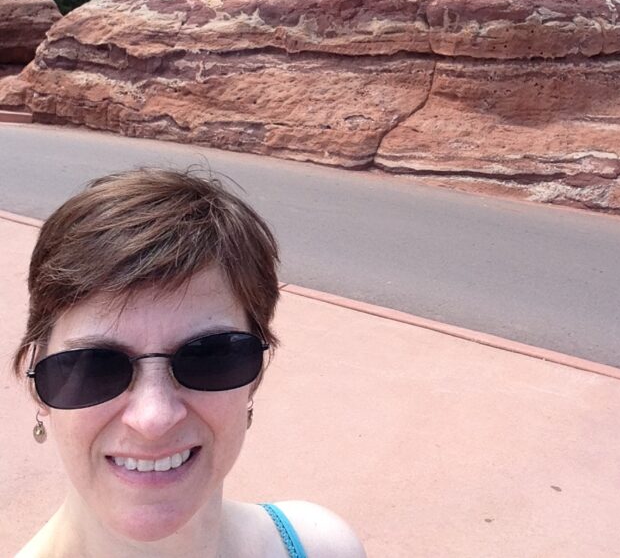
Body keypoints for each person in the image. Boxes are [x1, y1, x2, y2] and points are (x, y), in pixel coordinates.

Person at [13, 168, 366, 557]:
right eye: (96, 367)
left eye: (211, 358)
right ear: (36, 383)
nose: (154, 419)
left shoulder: (324, 548)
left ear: (255, 377)